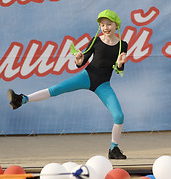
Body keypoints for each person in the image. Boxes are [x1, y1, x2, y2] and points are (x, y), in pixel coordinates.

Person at [7, 9, 128, 159]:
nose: (105, 28)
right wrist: (78, 60)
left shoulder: (123, 45)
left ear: (116, 25)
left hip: (103, 84)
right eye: (102, 25)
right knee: (56, 89)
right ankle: (21, 99)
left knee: (119, 116)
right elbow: (83, 60)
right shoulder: (96, 40)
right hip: (87, 76)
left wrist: (120, 63)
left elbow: (118, 69)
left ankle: (113, 149)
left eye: (109, 24)